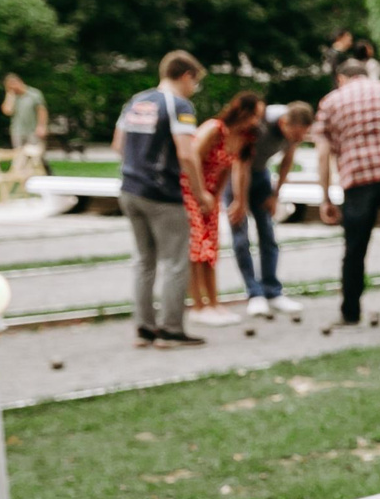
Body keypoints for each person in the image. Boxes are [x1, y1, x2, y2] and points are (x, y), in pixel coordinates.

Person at [116, 51, 209, 349]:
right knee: (174, 263)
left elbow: (118, 144)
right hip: (162, 194)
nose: (194, 89)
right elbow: (186, 154)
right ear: (186, 76)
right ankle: (170, 330)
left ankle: (144, 327)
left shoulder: (137, 101)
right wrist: (200, 193)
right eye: (195, 82)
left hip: (130, 189)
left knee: (144, 261)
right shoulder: (179, 106)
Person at [315, 59, 380, 328]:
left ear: (341, 78)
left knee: (355, 249)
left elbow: (323, 153)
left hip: (357, 181)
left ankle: (350, 312)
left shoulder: (331, 101)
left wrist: (325, 197)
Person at [183, 92, 261, 327]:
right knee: (196, 249)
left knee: (210, 249)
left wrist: (219, 198)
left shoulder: (241, 138)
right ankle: (198, 306)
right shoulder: (214, 129)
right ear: (243, 112)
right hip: (189, 191)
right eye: (256, 115)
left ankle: (214, 303)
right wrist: (200, 194)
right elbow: (192, 159)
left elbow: (228, 169)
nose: (257, 121)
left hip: (209, 196)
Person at [230, 100, 313, 319]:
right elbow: (241, 163)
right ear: (284, 123)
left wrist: (275, 195)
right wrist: (239, 201)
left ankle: (272, 291)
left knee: (267, 233)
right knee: (240, 237)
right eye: (295, 135)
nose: (297, 139)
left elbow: (287, 160)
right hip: (235, 175)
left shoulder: (294, 130)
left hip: (260, 174)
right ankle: (254, 294)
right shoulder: (260, 125)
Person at [1, 73, 46, 177]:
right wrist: (10, 95)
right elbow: (7, 111)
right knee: (19, 156)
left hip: (33, 130)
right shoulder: (13, 97)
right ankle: (22, 177)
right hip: (17, 131)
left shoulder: (34, 94)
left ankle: (39, 175)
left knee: (35, 155)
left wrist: (41, 126)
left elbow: (41, 111)